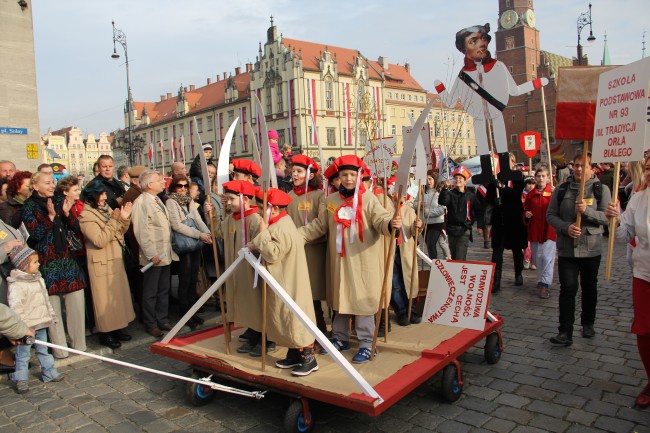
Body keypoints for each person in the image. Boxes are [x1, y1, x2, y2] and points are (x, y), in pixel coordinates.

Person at [299, 155, 401, 364]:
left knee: (361, 301)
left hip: (363, 260)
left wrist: (391, 224)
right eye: (344, 175)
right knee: (340, 299)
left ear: (359, 176)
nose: (347, 179)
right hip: (339, 261)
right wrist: (296, 236)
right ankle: (340, 337)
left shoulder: (370, 199)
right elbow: (319, 225)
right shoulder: (331, 201)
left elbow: (380, 219)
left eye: (352, 175)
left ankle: (366, 343)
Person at [434, 23, 546, 185]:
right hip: (478, 115)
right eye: (473, 41)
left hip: (496, 111)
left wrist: (536, 84)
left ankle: (505, 170)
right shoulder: (463, 75)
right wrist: (441, 88)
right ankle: (486, 172)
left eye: (482, 39)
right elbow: (450, 102)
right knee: (482, 143)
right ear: (464, 49)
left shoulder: (498, 66)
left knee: (501, 140)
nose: (481, 44)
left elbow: (514, 90)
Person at [249, 188, 318, 376]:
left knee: (295, 317)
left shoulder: (282, 227)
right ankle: (294, 353)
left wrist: (261, 235)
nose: (258, 212)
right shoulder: (278, 223)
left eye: (261, 208)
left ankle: (309, 359)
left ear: (276, 209)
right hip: (283, 278)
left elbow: (273, 253)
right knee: (283, 316)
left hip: (290, 280)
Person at [546, 151, 611, 346]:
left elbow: (607, 218)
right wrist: (566, 227)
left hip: (591, 248)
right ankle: (565, 331)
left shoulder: (601, 189)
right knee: (568, 288)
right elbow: (551, 215)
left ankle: (588, 323)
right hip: (567, 248)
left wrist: (587, 212)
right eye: (576, 165)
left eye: (583, 166)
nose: (578, 169)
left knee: (589, 287)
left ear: (592, 168)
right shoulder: (562, 189)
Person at [23, 172, 86, 358]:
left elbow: (76, 229)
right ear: (35, 186)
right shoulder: (29, 206)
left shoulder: (60, 200)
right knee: (54, 312)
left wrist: (66, 214)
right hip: (47, 264)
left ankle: (79, 346)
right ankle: (60, 350)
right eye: (47, 183)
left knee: (76, 305)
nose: (52, 185)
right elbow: (35, 235)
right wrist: (50, 218)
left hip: (67, 260)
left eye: (53, 182)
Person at [605, 153, 650, 408]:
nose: (649, 172)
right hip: (644, 274)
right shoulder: (639, 198)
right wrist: (617, 220)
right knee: (644, 332)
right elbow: (625, 236)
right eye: (647, 168)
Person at [78, 180, 135, 349]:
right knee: (103, 300)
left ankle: (117, 328)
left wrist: (124, 219)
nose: (105, 197)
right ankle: (106, 333)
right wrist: (115, 221)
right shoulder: (86, 216)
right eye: (102, 194)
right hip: (101, 261)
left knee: (116, 297)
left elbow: (119, 232)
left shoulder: (105, 209)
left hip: (114, 257)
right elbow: (99, 239)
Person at [221, 180, 272, 355]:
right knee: (243, 302)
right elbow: (219, 233)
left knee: (255, 303)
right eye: (226, 199)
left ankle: (264, 336)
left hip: (251, 271)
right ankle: (253, 332)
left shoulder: (255, 219)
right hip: (236, 270)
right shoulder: (229, 219)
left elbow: (261, 244)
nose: (228, 203)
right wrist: (212, 215)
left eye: (231, 199)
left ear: (245, 199)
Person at [7, 244, 63, 393]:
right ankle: (21, 379)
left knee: (43, 350)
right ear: (24, 265)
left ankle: (49, 371)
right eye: (34, 262)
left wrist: (51, 316)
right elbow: (15, 308)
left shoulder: (39, 279)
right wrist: (21, 328)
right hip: (26, 327)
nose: (38, 264)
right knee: (23, 354)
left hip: (41, 323)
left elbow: (45, 300)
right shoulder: (16, 285)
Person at [131, 170, 178, 337]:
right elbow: (141, 231)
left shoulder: (157, 199)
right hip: (154, 256)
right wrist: (151, 254)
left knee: (163, 289)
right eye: (159, 180)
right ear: (149, 185)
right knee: (150, 291)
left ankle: (162, 319)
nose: (163, 182)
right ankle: (150, 323)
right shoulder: (141, 202)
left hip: (165, 254)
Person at [286, 155, 327, 334]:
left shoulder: (319, 196)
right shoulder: (287, 197)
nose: (295, 174)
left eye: (299, 171)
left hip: (313, 251)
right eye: (293, 171)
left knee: (313, 294)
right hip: (293, 251)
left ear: (310, 175)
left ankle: (320, 331)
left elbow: (322, 223)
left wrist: (301, 236)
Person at [166, 175, 212, 330]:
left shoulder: (189, 200)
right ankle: (184, 313)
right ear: (174, 187)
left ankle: (193, 311)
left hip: (194, 243)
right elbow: (177, 225)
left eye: (185, 186)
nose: (183, 189)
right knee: (185, 279)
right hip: (184, 244)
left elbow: (198, 219)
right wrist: (199, 235)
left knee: (193, 277)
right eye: (180, 186)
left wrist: (207, 234)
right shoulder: (171, 202)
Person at [485, 153, 527, 293]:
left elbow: (516, 194)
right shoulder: (495, 178)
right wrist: (494, 199)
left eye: (507, 161)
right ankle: (496, 280)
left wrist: (503, 188)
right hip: (500, 219)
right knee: (497, 251)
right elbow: (489, 196)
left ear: (513, 163)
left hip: (514, 218)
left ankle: (518, 273)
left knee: (516, 248)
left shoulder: (518, 177)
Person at [524, 165, 557, 299]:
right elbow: (525, 209)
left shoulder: (554, 193)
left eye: (543, 176)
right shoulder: (531, 195)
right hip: (536, 229)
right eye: (538, 176)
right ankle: (540, 279)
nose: (541, 178)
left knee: (547, 257)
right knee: (537, 257)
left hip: (549, 229)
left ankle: (545, 284)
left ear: (548, 178)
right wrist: (526, 214)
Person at [438, 165, 484, 261]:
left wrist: (480, 226)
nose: (457, 180)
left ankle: (460, 275)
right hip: (451, 229)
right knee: (454, 256)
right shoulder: (450, 193)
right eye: (456, 178)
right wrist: (445, 189)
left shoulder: (471, 196)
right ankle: (456, 275)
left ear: (465, 181)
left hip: (464, 229)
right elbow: (442, 201)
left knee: (460, 256)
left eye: (460, 178)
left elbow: (479, 211)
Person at [415, 171, 445, 259]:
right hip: (424, 223)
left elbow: (442, 208)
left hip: (436, 222)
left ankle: (434, 266)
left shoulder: (439, 192)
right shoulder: (421, 191)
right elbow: (414, 203)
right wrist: (419, 205)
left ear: (434, 180)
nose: (428, 181)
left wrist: (428, 213)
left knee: (431, 244)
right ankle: (433, 262)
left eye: (430, 179)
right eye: (427, 179)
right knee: (428, 245)